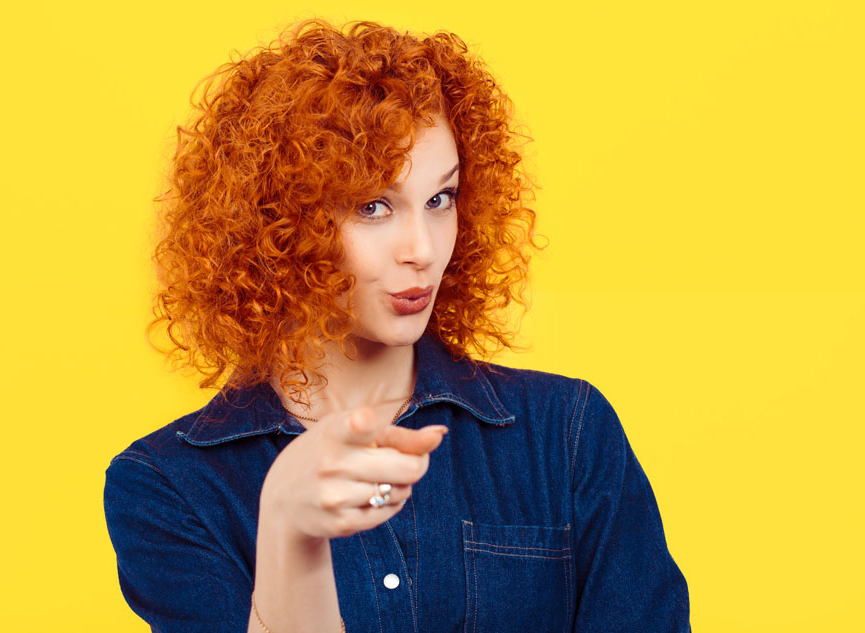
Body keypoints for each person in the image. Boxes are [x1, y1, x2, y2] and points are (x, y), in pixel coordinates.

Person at [103, 18, 690, 633]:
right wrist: (287, 530)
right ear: (277, 224)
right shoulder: (169, 486)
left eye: (441, 200)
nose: (423, 249)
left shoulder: (563, 433)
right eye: (373, 207)